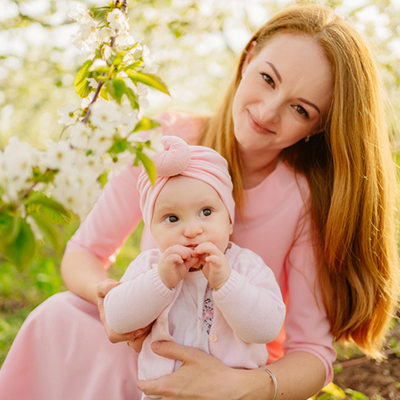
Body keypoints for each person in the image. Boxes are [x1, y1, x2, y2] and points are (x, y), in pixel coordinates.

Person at [0, 3, 398, 400]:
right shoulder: (166, 143)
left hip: (237, 366)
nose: (268, 111)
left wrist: (242, 387)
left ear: (320, 125)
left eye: (300, 109)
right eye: (267, 79)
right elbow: (84, 252)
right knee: (60, 316)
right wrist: (110, 299)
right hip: (151, 346)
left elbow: (311, 353)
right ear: (249, 56)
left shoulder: (303, 200)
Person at [103, 136, 286, 399]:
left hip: (234, 392)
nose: (191, 230)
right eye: (172, 218)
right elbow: (118, 319)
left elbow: (266, 329)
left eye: (207, 212)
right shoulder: (150, 266)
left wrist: (226, 283)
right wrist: (160, 281)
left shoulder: (247, 267)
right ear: (152, 230)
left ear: (230, 221)